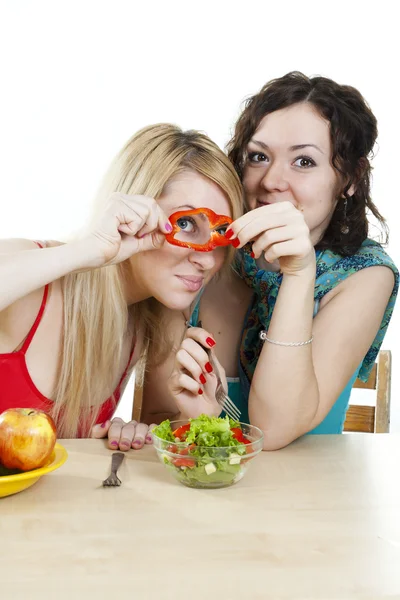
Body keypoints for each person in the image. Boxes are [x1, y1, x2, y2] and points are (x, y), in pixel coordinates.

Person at [141, 73, 399, 450]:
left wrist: (298, 273)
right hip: (199, 491)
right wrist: (192, 420)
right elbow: (156, 420)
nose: (272, 181)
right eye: (258, 157)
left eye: (304, 161)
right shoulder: (204, 255)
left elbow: (274, 429)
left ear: (350, 178)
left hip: (305, 501)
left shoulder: (366, 276)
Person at [0, 123, 243, 449]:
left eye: (221, 234)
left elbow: (154, 439)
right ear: (136, 210)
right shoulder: (33, 275)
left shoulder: (151, 318)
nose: (209, 260)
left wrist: (189, 420)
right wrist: (90, 248)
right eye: (185, 223)